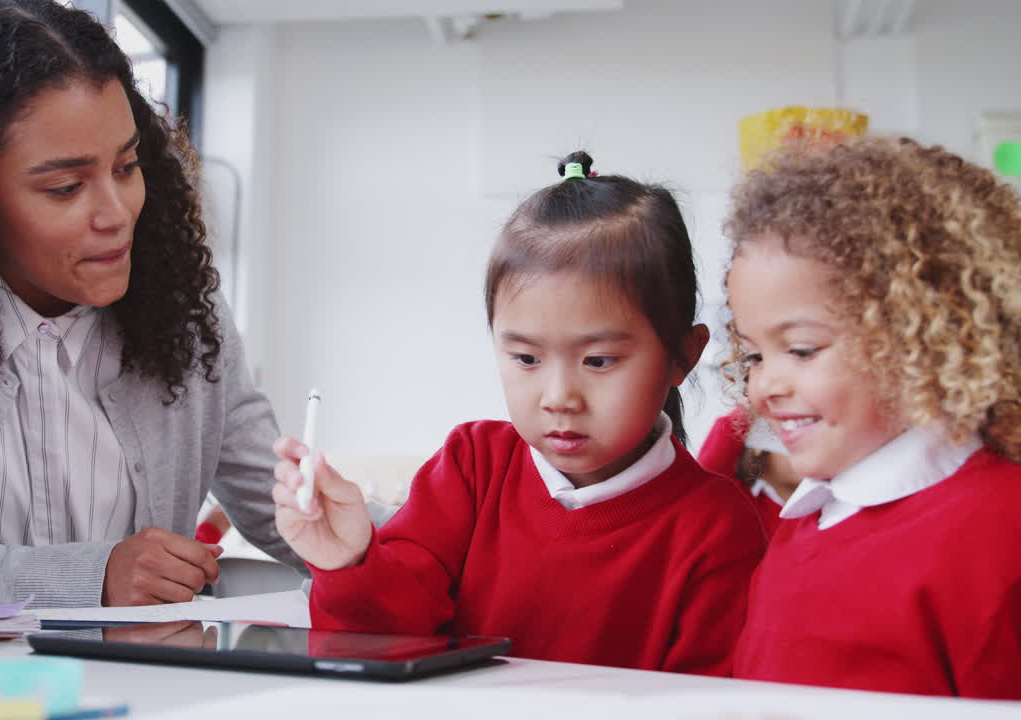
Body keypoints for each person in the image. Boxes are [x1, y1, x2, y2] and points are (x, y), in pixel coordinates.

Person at [0, 0, 302, 608]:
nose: (117, 213)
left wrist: (386, 533)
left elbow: (281, 508)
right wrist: (89, 576)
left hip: (152, 669)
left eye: (126, 166)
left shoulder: (187, 318)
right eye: (66, 187)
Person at [269, 152, 767, 673]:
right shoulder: (472, 467)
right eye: (527, 359)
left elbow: (707, 698)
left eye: (598, 361)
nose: (559, 397)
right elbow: (388, 641)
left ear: (682, 356)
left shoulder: (717, 529)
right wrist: (349, 561)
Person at [725, 137, 1021, 698]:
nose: (763, 387)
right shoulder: (806, 523)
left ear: (921, 332)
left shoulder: (999, 531)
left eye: (803, 350)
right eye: (754, 356)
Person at [697, 408, 800, 536]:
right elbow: (708, 473)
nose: (807, 455)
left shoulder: (822, 505)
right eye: (793, 447)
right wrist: (757, 404)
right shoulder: (744, 506)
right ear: (759, 452)